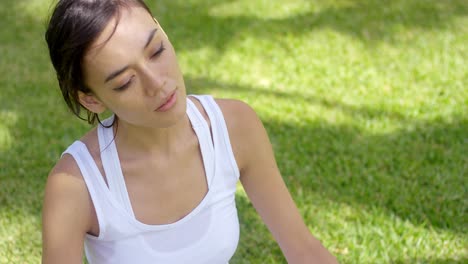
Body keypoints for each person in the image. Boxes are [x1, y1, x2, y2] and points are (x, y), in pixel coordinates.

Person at [41, 0, 338, 263]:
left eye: (156, 51)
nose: (157, 83)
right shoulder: (77, 184)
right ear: (92, 99)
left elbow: (303, 250)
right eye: (125, 82)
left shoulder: (234, 128)